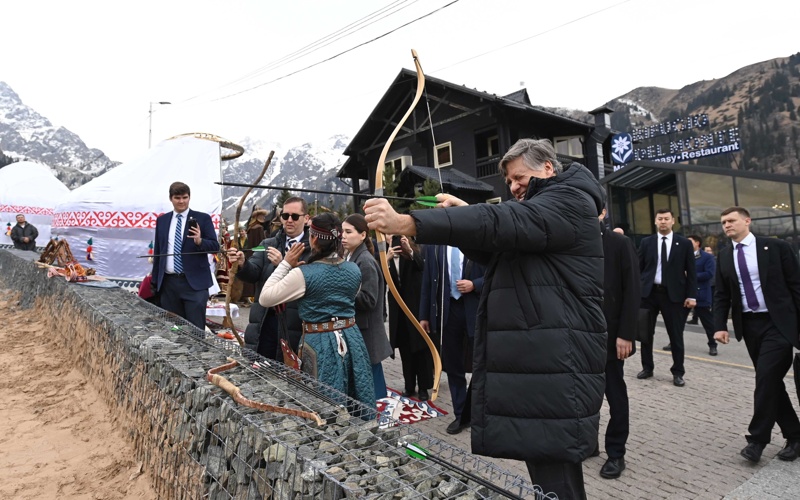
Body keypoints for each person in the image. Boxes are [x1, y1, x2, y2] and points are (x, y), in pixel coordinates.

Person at [364, 138, 606, 500]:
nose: (513, 187)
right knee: (547, 468)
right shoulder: (544, 208)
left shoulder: (569, 200)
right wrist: (463, 212)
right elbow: (499, 240)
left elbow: (503, 220)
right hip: (546, 358)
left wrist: (406, 222)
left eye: (519, 177)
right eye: (508, 181)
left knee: (556, 472)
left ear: (548, 169)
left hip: (557, 359)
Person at [258, 213, 375, 414]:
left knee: (324, 401)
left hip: (320, 342)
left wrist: (286, 264)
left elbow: (265, 298)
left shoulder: (303, 274)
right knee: (356, 393)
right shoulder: (353, 269)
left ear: (313, 238)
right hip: (352, 338)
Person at [713, 206, 800, 462]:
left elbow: (796, 286)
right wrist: (719, 326)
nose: (727, 225)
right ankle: (795, 435)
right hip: (750, 327)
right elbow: (721, 294)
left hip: (779, 324)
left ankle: (757, 440)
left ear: (747, 221)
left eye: (731, 220)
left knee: (765, 378)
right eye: (723, 222)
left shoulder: (775, 248)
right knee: (770, 382)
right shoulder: (725, 255)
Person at [228, 197, 311, 359]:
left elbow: (311, 283)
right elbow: (253, 273)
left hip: (295, 321)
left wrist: (284, 264)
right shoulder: (267, 243)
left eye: (295, 216)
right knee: (260, 368)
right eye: (285, 216)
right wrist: (242, 263)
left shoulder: (312, 248)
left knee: (290, 375)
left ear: (306, 218)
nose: (289, 220)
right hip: (265, 319)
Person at [419, 242, 484, 433]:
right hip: (447, 312)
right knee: (454, 366)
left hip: (475, 308)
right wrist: (424, 314)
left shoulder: (476, 238)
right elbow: (428, 279)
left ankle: (480, 413)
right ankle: (461, 415)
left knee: (482, 363)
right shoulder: (435, 246)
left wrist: (475, 284)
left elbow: (496, 272)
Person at [598, 207, 641, 479]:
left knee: (615, 395)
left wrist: (626, 334)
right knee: (581, 397)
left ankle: (616, 453)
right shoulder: (570, 242)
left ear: (602, 212)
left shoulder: (619, 243)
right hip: (577, 337)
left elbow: (632, 289)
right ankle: (588, 444)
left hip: (611, 337)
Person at [637, 209, 697, 387]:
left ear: (673, 221)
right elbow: (638, 269)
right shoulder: (647, 242)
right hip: (648, 294)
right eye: (660, 219)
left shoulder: (684, 243)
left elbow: (691, 272)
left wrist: (691, 295)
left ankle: (678, 372)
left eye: (666, 219)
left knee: (676, 335)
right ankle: (647, 368)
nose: (663, 222)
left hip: (674, 296)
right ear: (655, 221)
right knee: (646, 334)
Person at [152, 182, 220, 329]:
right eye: (177, 197)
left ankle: (198, 353)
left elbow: (215, 247)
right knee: (173, 329)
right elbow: (158, 252)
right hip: (169, 285)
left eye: (185, 197)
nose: (181, 201)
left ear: (189, 198)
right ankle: (175, 353)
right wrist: (155, 283)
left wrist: (199, 241)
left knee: (195, 329)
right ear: (171, 199)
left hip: (194, 285)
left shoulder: (202, 219)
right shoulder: (162, 221)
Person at [342, 214, 393, 401]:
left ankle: (376, 419)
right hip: (360, 331)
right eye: (342, 232)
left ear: (363, 235)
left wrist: (341, 290)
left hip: (367, 333)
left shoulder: (365, 261)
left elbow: (370, 299)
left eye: (348, 232)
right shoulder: (352, 256)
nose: (343, 236)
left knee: (372, 384)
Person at [386, 234, 432, 401]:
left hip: (414, 308)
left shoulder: (412, 254)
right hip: (398, 313)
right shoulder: (385, 256)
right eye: (390, 236)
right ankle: (409, 385)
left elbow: (422, 266)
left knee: (419, 349)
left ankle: (424, 387)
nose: (394, 240)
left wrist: (409, 250)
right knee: (405, 350)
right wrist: (387, 259)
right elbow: (382, 279)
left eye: (396, 236)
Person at [686, 235, 718, 355]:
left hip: (700, 293)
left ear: (697, 243)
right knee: (677, 322)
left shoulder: (707, 257)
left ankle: (713, 344)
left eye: (690, 242)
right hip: (684, 294)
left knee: (708, 323)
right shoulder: (683, 256)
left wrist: (690, 276)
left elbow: (709, 274)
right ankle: (673, 343)